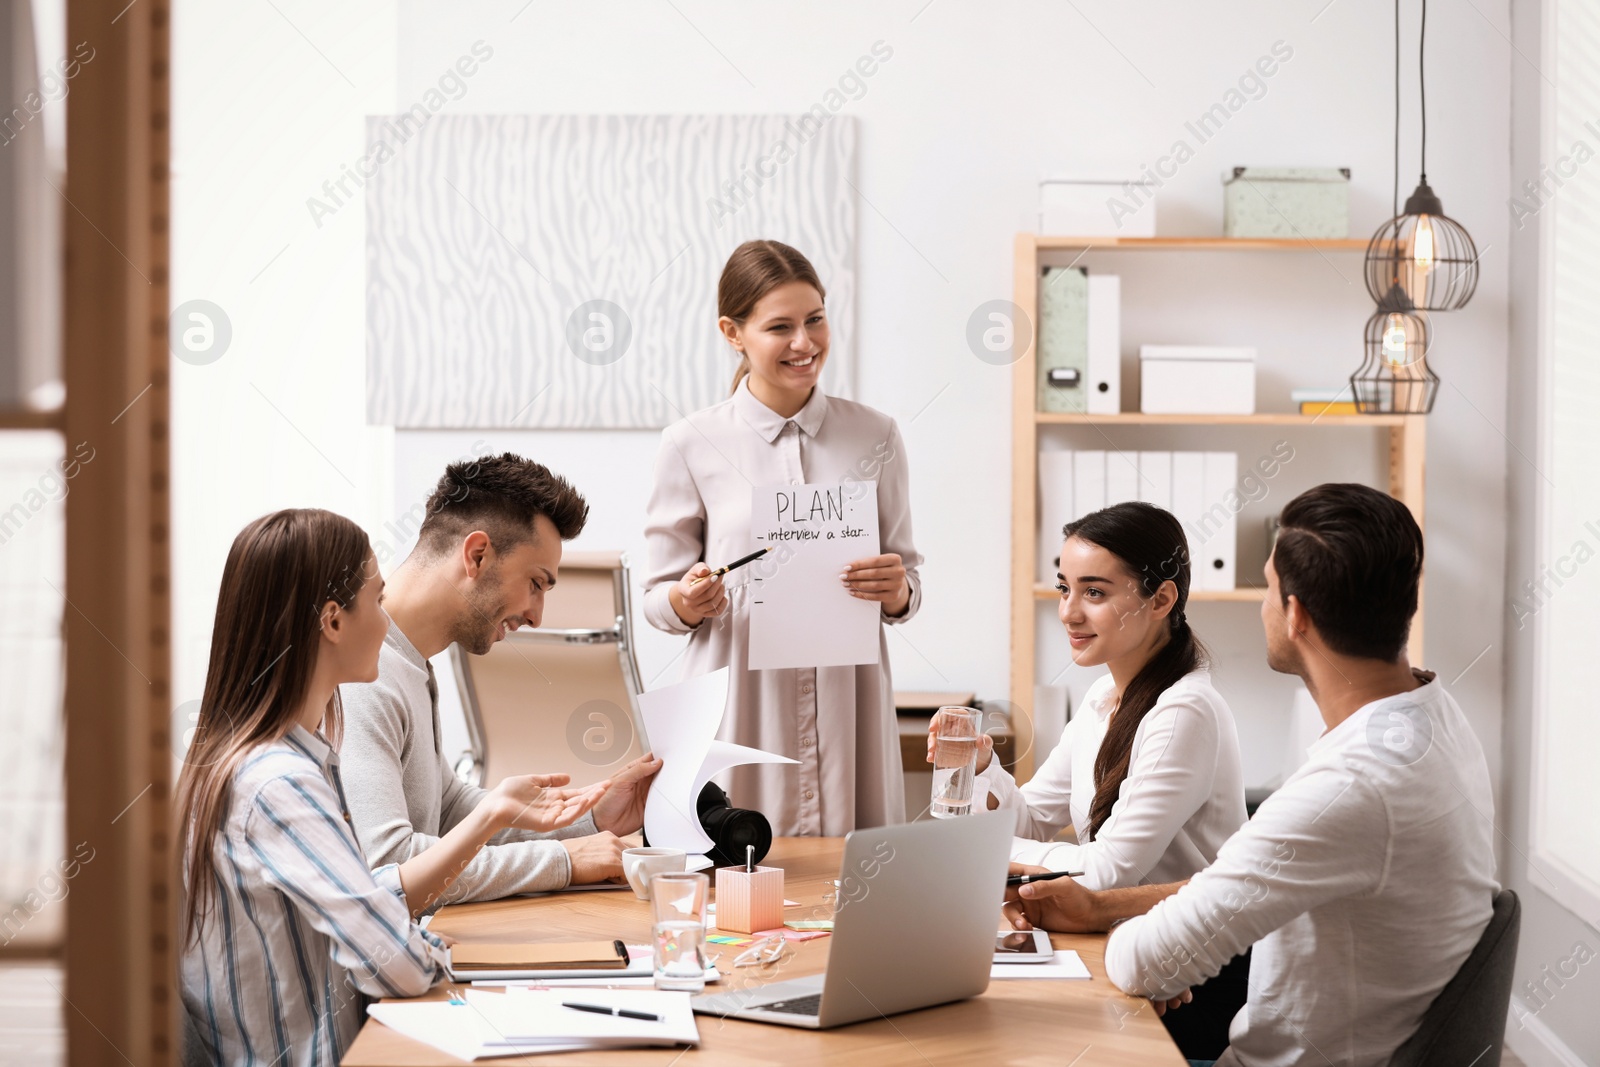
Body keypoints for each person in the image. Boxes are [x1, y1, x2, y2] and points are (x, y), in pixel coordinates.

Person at [1003, 483, 1498, 1067]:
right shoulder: (1432, 718)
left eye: (1267, 587)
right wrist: (1111, 911)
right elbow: (1241, 888)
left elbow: (1142, 962)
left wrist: (1145, 936)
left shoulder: (1346, 787)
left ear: (1295, 615)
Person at [177, 509, 608, 1066]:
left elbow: (364, 890)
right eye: (377, 601)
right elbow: (396, 963)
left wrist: (536, 817)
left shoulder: (277, 760)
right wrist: (428, 943)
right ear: (333, 621)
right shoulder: (279, 785)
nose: (387, 622)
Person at [643, 238, 923, 835]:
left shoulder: (877, 434)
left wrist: (897, 590)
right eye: (780, 327)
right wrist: (684, 599)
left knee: (850, 877)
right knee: (737, 878)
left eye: (815, 319)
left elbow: (908, 579)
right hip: (740, 701)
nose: (805, 343)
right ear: (733, 332)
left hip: (850, 696)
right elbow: (656, 596)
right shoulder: (690, 442)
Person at [339, 454, 662, 898]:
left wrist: (590, 818)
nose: (536, 616)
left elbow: (448, 811)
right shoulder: (363, 676)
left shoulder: (407, 663)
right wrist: (563, 862)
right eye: (535, 583)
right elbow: (392, 865)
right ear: (477, 555)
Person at [929, 501, 1245, 889]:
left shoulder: (1186, 711)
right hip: (1109, 930)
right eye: (1064, 588)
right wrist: (981, 766)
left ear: (1161, 600)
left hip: (1184, 944)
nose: (1068, 612)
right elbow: (1032, 821)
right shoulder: (1102, 698)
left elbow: (1109, 869)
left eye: (1094, 592)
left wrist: (983, 847)